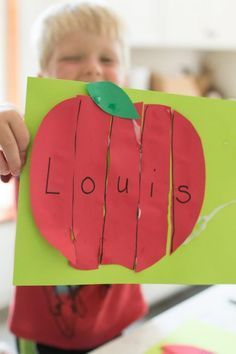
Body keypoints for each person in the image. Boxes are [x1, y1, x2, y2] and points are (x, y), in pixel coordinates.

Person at [0, 2, 147, 353]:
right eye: (73, 57)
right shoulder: (30, 135)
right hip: (44, 328)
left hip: (117, 319)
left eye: (107, 59)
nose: (93, 69)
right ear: (43, 76)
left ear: (124, 77)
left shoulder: (145, 141)